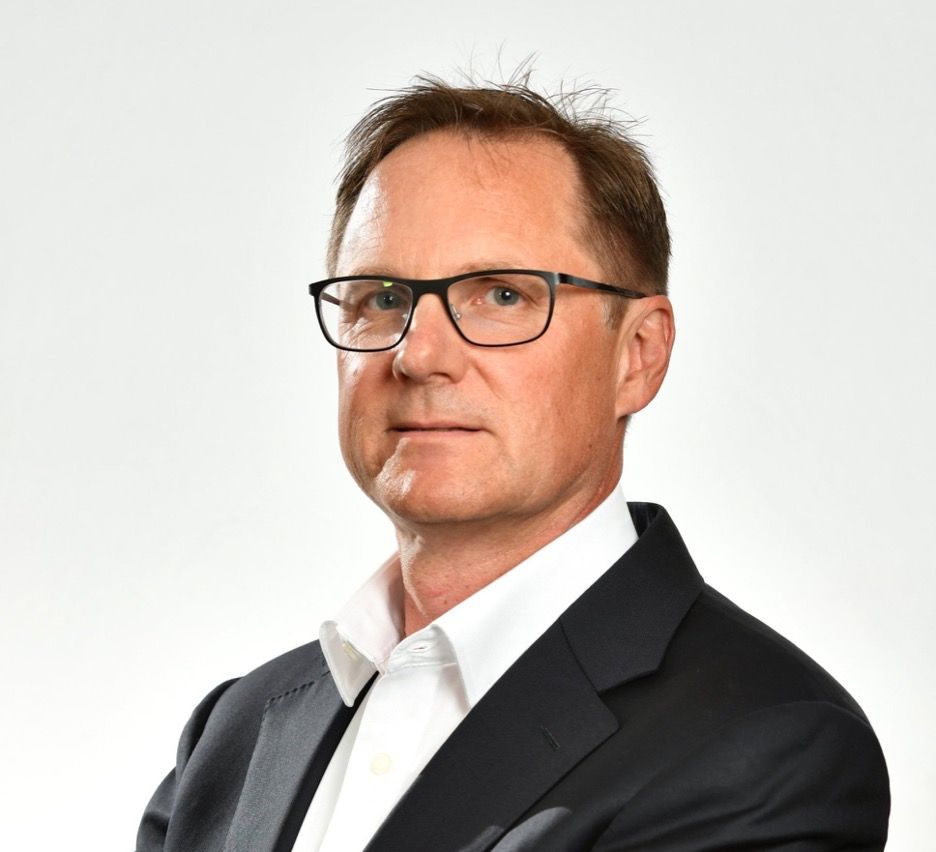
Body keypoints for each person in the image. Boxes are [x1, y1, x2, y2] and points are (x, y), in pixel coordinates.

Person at [137, 76, 890, 852]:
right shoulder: (236, 733)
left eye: (501, 295)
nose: (419, 354)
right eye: (383, 297)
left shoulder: (765, 744)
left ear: (638, 354)